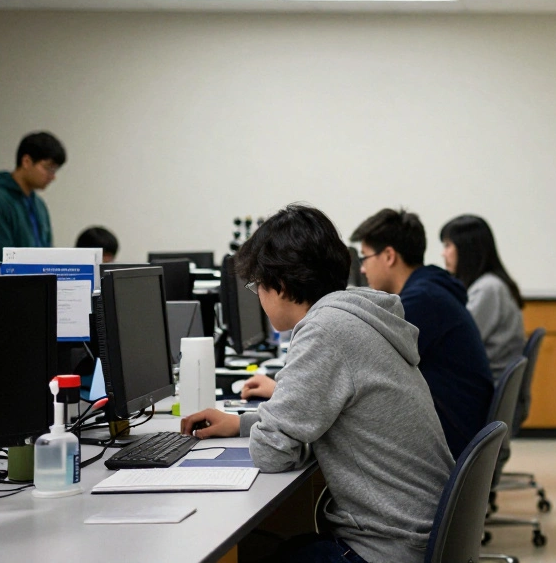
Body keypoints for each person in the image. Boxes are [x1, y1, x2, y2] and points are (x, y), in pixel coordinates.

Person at [180, 205, 452, 563]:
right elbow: (320, 418)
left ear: (279, 284)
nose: (258, 297)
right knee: (280, 544)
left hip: (388, 548)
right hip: (418, 533)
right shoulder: (358, 314)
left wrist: (263, 428)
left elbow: (272, 453)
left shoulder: (326, 330)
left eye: (256, 286)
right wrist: (240, 423)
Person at [247, 208, 493, 458]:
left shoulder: (330, 326)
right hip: (437, 456)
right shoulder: (371, 310)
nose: (362, 269)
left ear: (279, 284)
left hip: (450, 438)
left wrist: (281, 393)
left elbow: (271, 450)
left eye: (365, 258)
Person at [438, 215, 525, 380]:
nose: (443, 253)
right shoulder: (490, 285)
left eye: (448, 245)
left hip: (482, 387)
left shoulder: (488, 289)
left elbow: (459, 343)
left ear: (467, 249)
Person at [0, 131, 66, 261]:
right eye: (48, 168)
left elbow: (47, 255)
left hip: (37, 281)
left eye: (55, 170)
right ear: (26, 161)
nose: (53, 177)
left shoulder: (39, 205)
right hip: (3, 281)